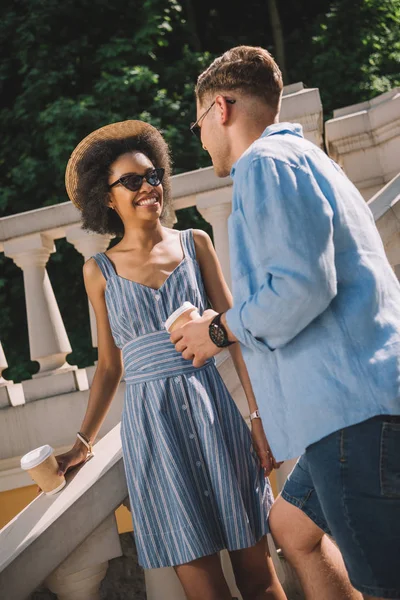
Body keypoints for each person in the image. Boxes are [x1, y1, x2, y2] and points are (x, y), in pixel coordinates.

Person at [170, 46, 400, 600]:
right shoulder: (310, 159)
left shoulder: (264, 166)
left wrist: (217, 330)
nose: (200, 138)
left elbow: (300, 287)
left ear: (221, 109)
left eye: (198, 120)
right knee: (290, 528)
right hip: (358, 406)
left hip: (349, 417)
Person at [60, 120, 287, 600]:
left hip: (217, 420)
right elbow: (108, 366)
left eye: (153, 176)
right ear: (107, 198)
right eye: (132, 181)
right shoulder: (97, 272)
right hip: (154, 438)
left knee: (260, 580)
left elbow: (238, 334)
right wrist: (83, 443)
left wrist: (259, 415)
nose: (149, 187)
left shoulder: (195, 243)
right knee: (204, 592)